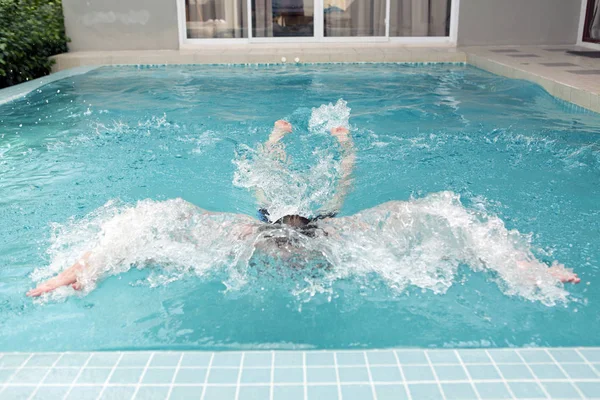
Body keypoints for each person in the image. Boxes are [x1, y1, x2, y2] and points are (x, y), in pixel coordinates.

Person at [27, 120, 580, 299]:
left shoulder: (334, 234)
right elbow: (165, 239)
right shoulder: (256, 232)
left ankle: (526, 269)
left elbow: (170, 247)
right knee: (186, 210)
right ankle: (85, 265)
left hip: (306, 226)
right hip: (280, 224)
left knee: (412, 207)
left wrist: (346, 149)